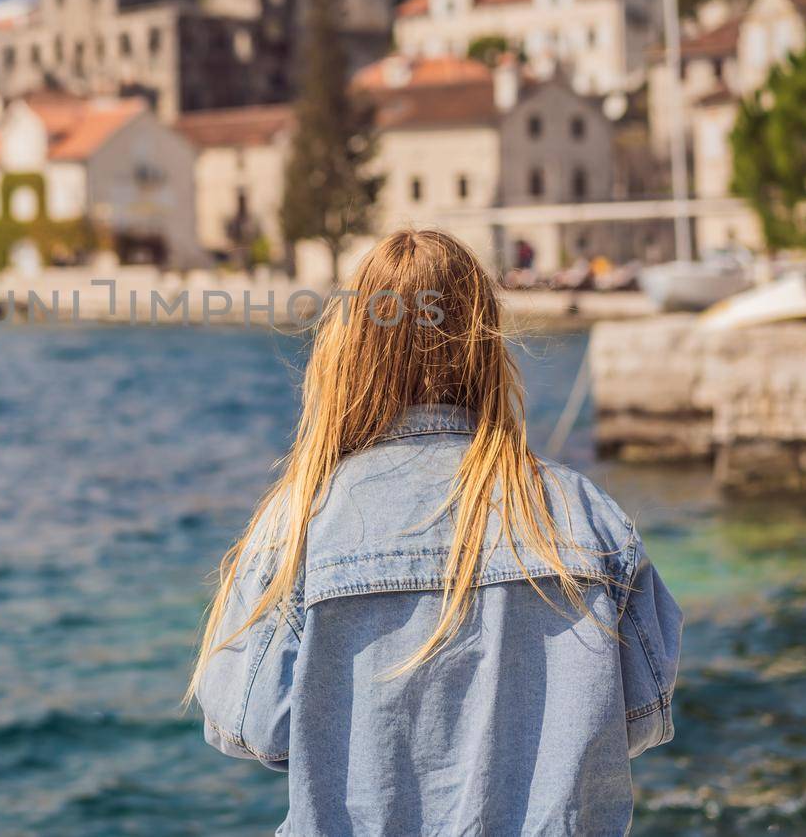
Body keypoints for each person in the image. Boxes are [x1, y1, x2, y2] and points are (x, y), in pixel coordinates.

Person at [187, 229, 682, 835]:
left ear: (352, 350)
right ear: (486, 343)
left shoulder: (299, 524)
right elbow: (644, 713)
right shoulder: (585, 516)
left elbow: (248, 726)